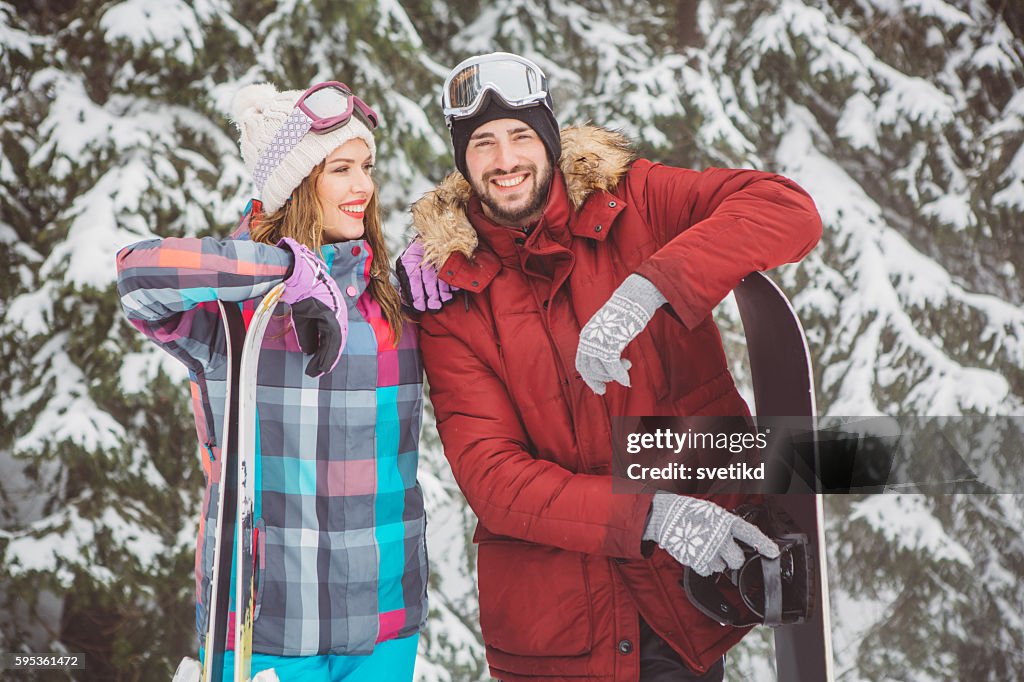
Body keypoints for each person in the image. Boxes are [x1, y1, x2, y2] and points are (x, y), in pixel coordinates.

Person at [399, 52, 823, 682]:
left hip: (682, 610)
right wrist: (653, 514)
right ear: (463, 161)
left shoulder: (636, 203)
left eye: (520, 135)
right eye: (483, 143)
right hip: (557, 631)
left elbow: (786, 209)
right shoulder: (452, 292)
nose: (506, 160)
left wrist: (648, 287)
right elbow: (493, 478)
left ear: (549, 135)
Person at [116, 81, 426, 681]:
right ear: (296, 184)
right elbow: (137, 272)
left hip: (384, 620)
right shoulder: (229, 311)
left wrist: (451, 244)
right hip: (265, 625)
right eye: (341, 169)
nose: (364, 186)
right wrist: (285, 269)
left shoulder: (392, 300)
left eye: (366, 166)